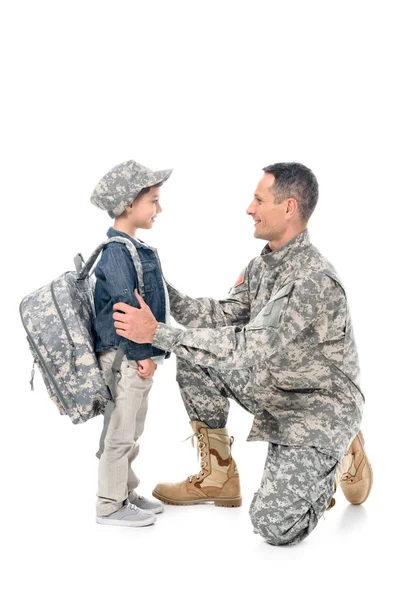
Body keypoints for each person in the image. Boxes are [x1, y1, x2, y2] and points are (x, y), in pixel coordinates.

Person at [111, 162, 373, 545]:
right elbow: (220, 317)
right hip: (273, 385)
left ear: (288, 208)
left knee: (275, 526)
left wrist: (158, 333)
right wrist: (155, 284)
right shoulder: (263, 265)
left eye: (258, 199)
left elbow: (247, 346)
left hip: (318, 406)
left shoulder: (311, 279)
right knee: (196, 357)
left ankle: (339, 448)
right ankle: (218, 474)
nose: (249, 209)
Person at [90, 159, 173, 527]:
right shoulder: (117, 252)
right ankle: (109, 504)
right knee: (120, 431)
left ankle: (124, 489)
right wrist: (143, 355)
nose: (159, 209)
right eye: (153, 200)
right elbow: (127, 308)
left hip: (136, 359)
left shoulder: (133, 249)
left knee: (132, 429)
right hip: (126, 358)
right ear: (128, 204)